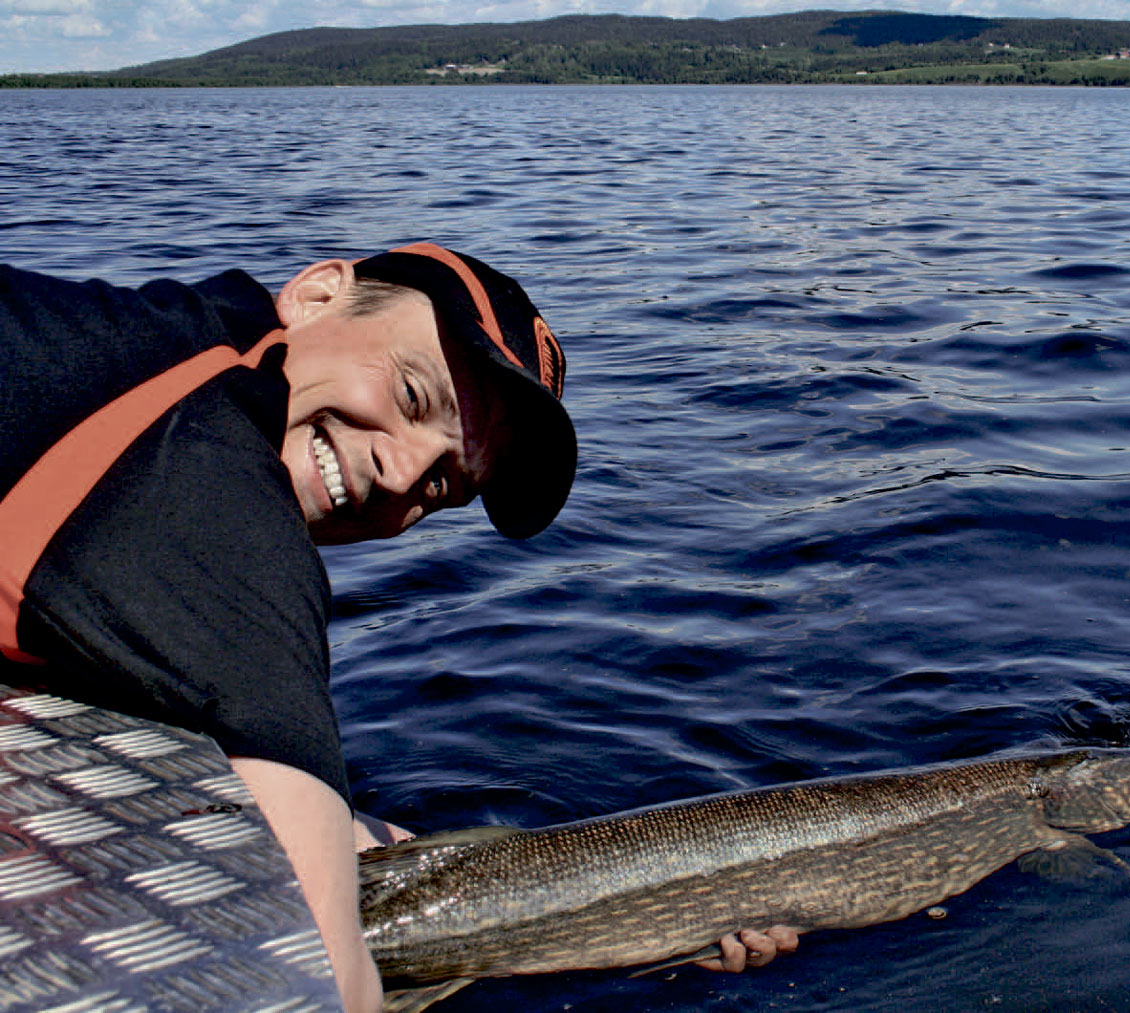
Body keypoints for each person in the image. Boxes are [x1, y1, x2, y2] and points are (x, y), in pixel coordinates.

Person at [0, 244, 797, 1011]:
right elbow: (319, 978)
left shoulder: (159, 347)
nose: (406, 471)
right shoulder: (216, 511)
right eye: (415, 396)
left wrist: (382, 847)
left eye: (447, 483)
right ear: (317, 294)